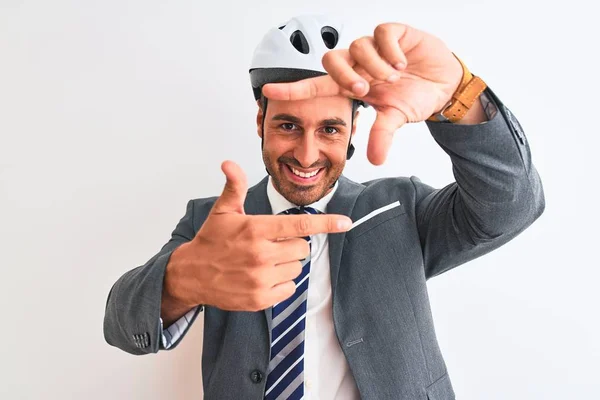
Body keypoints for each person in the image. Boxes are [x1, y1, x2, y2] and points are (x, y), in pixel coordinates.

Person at [103, 14, 545, 400]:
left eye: (330, 129)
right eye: (288, 125)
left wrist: (458, 97)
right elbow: (121, 325)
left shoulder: (400, 208)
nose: (308, 154)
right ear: (261, 122)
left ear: (354, 128)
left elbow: (512, 205)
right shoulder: (211, 221)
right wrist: (183, 279)